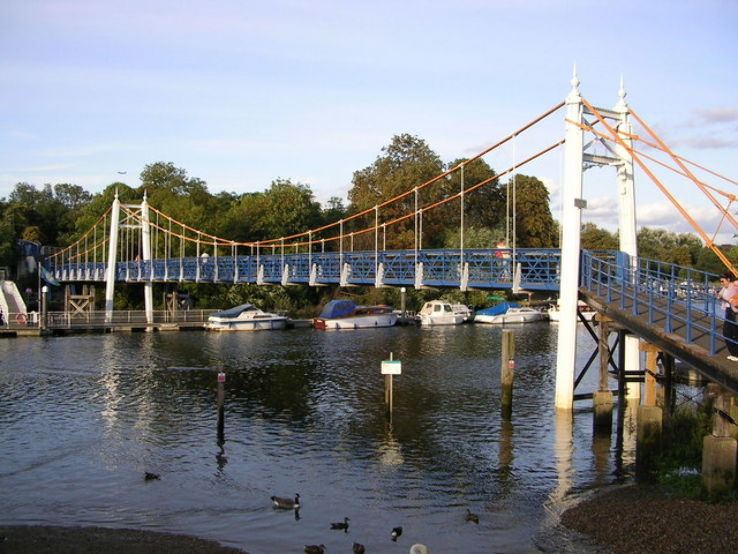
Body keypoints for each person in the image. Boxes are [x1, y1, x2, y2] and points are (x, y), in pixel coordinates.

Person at [717, 272, 738, 361]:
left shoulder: (733, 287)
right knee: (729, 332)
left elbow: (731, 300)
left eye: (722, 281)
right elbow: (720, 295)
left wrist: (722, 297)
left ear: (728, 280)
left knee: (731, 333)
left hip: (734, 312)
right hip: (729, 311)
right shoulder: (726, 287)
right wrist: (720, 295)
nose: (721, 283)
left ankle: (735, 354)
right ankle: (734, 354)